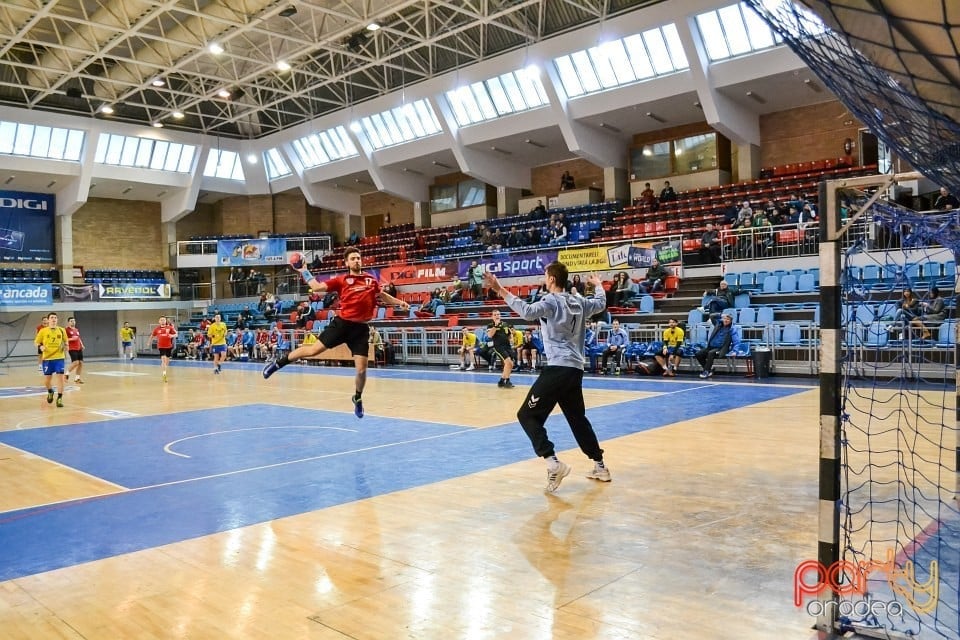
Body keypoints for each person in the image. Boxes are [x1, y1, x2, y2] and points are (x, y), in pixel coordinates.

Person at [483, 264, 610, 492]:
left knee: (526, 415)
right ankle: (600, 466)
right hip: (575, 370)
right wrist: (598, 285)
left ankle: (553, 463)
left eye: (545, 276)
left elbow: (527, 311)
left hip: (558, 368)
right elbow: (601, 303)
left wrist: (499, 288)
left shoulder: (552, 300)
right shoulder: (579, 301)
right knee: (577, 419)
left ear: (551, 279)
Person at [262, 246, 410, 418]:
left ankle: (357, 398)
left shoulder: (371, 280)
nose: (356, 260)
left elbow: (382, 295)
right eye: (353, 258)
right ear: (347, 262)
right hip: (342, 324)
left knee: (362, 370)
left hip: (361, 329)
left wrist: (399, 303)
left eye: (358, 258)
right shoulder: (341, 280)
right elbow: (316, 287)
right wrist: (304, 270)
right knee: (312, 350)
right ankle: (277, 364)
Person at [35, 312, 67, 407]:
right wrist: (41, 346)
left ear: (57, 320)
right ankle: (50, 391)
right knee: (47, 381)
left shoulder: (62, 330)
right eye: (52, 317)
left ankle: (60, 398)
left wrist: (66, 346)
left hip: (59, 358)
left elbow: (66, 341)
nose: (54, 319)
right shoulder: (43, 331)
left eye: (55, 318)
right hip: (48, 358)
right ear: (48, 320)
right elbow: (36, 342)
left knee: (60, 378)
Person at [696, 312, 734, 378]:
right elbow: (712, 316)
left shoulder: (732, 329)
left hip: (720, 349)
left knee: (711, 353)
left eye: (728, 319)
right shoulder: (718, 325)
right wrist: (721, 314)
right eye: (725, 318)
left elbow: (736, 341)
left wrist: (735, 350)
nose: (726, 320)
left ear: (731, 321)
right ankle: (709, 369)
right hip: (710, 347)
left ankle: (706, 371)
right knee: (698, 354)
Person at [484, 309, 515, 387]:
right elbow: (490, 335)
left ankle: (501, 381)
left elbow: (509, 334)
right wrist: (495, 325)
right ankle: (507, 381)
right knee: (509, 363)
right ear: (492, 317)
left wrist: (511, 340)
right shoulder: (490, 325)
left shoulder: (505, 324)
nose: (497, 316)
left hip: (507, 346)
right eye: (495, 315)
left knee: (510, 364)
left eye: (498, 314)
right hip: (498, 347)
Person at [151, 316, 178, 382]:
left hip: (169, 346)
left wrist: (172, 335)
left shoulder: (170, 327)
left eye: (164, 320)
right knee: (163, 359)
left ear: (166, 321)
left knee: (167, 361)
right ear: (159, 321)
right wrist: (149, 342)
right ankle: (164, 374)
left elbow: (176, 334)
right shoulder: (157, 329)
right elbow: (152, 335)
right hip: (161, 346)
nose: (163, 321)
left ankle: (164, 368)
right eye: (161, 320)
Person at [64, 316, 85, 384]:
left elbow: (78, 338)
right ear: (68, 322)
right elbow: (64, 339)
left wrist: (82, 344)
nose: (73, 322)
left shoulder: (76, 329)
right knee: (76, 362)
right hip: (72, 348)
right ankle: (66, 374)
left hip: (78, 348)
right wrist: (72, 339)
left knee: (81, 363)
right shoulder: (66, 330)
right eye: (71, 321)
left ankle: (77, 378)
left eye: (74, 321)